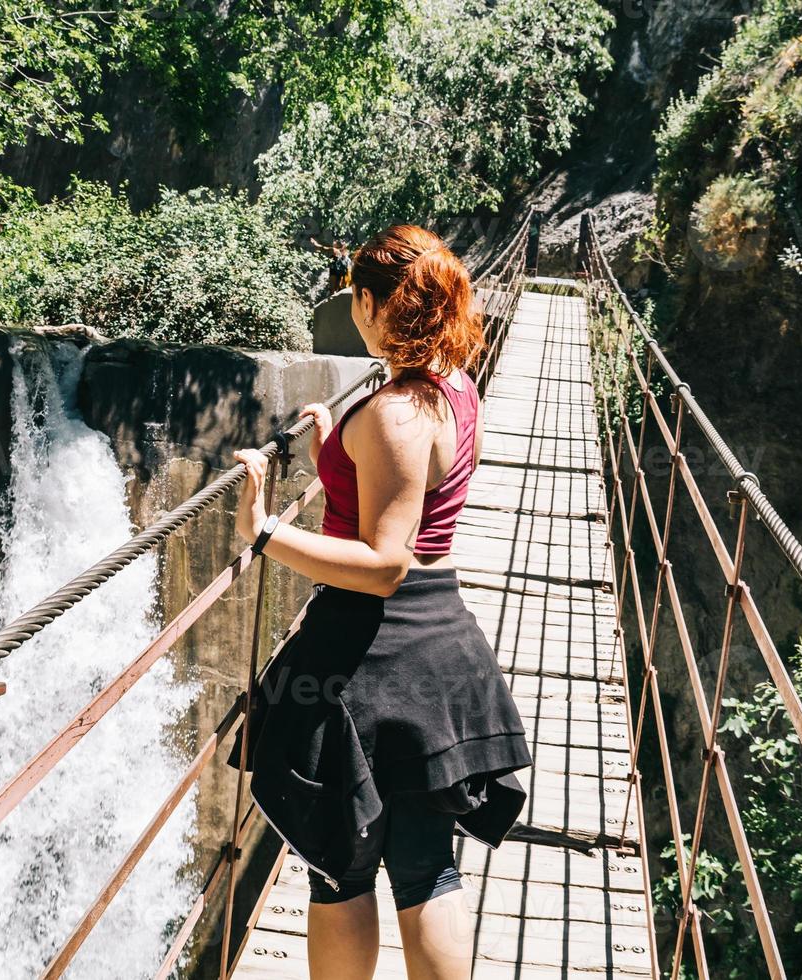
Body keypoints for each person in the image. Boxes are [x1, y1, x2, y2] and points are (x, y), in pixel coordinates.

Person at [227, 224, 533, 979]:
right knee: (425, 861)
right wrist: (338, 449)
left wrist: (263, 532)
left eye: (352, 298)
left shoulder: (396, 412)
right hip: (440, 643)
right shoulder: (455, 389)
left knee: (342, 865)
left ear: (370, 303)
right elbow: (414, 497)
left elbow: (383, 564)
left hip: (374, 652)